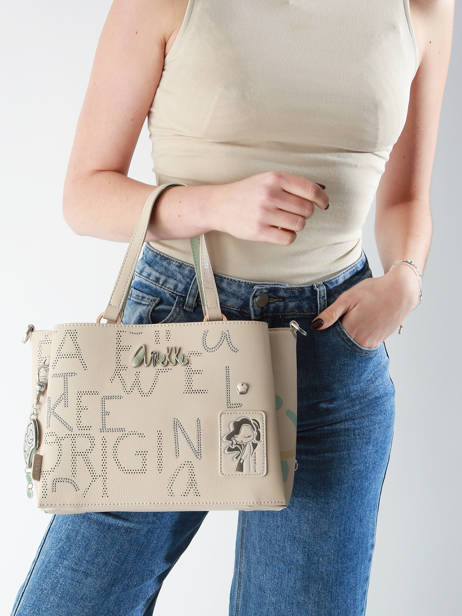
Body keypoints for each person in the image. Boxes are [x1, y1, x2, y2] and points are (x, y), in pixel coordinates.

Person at [11, 0, 454, 614]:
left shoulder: (423, 8)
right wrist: (216, 205)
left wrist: (406, 279)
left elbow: (406, 197)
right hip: (172, 338)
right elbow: (84, 194)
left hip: (332, 341)